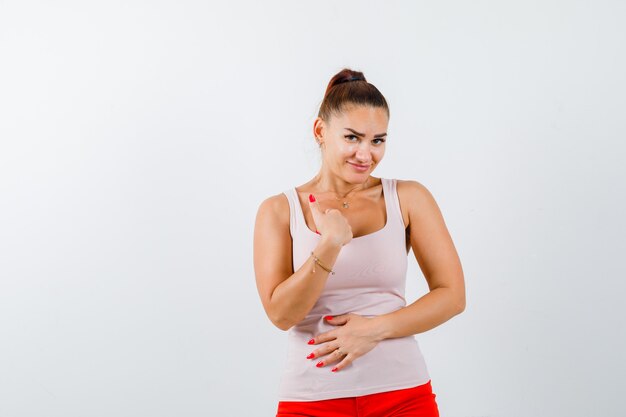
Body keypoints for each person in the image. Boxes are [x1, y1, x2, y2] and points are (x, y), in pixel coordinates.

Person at [253, 68, 466, 417]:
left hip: (404, 395)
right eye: (352, 138)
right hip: (311, 400)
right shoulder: (279, 211)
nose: (365, 155)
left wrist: (372, 330)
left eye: (377, 140)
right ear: (321, 131)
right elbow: (281, 314)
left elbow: (452, 296)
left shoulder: (408, 198)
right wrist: (330, 244)